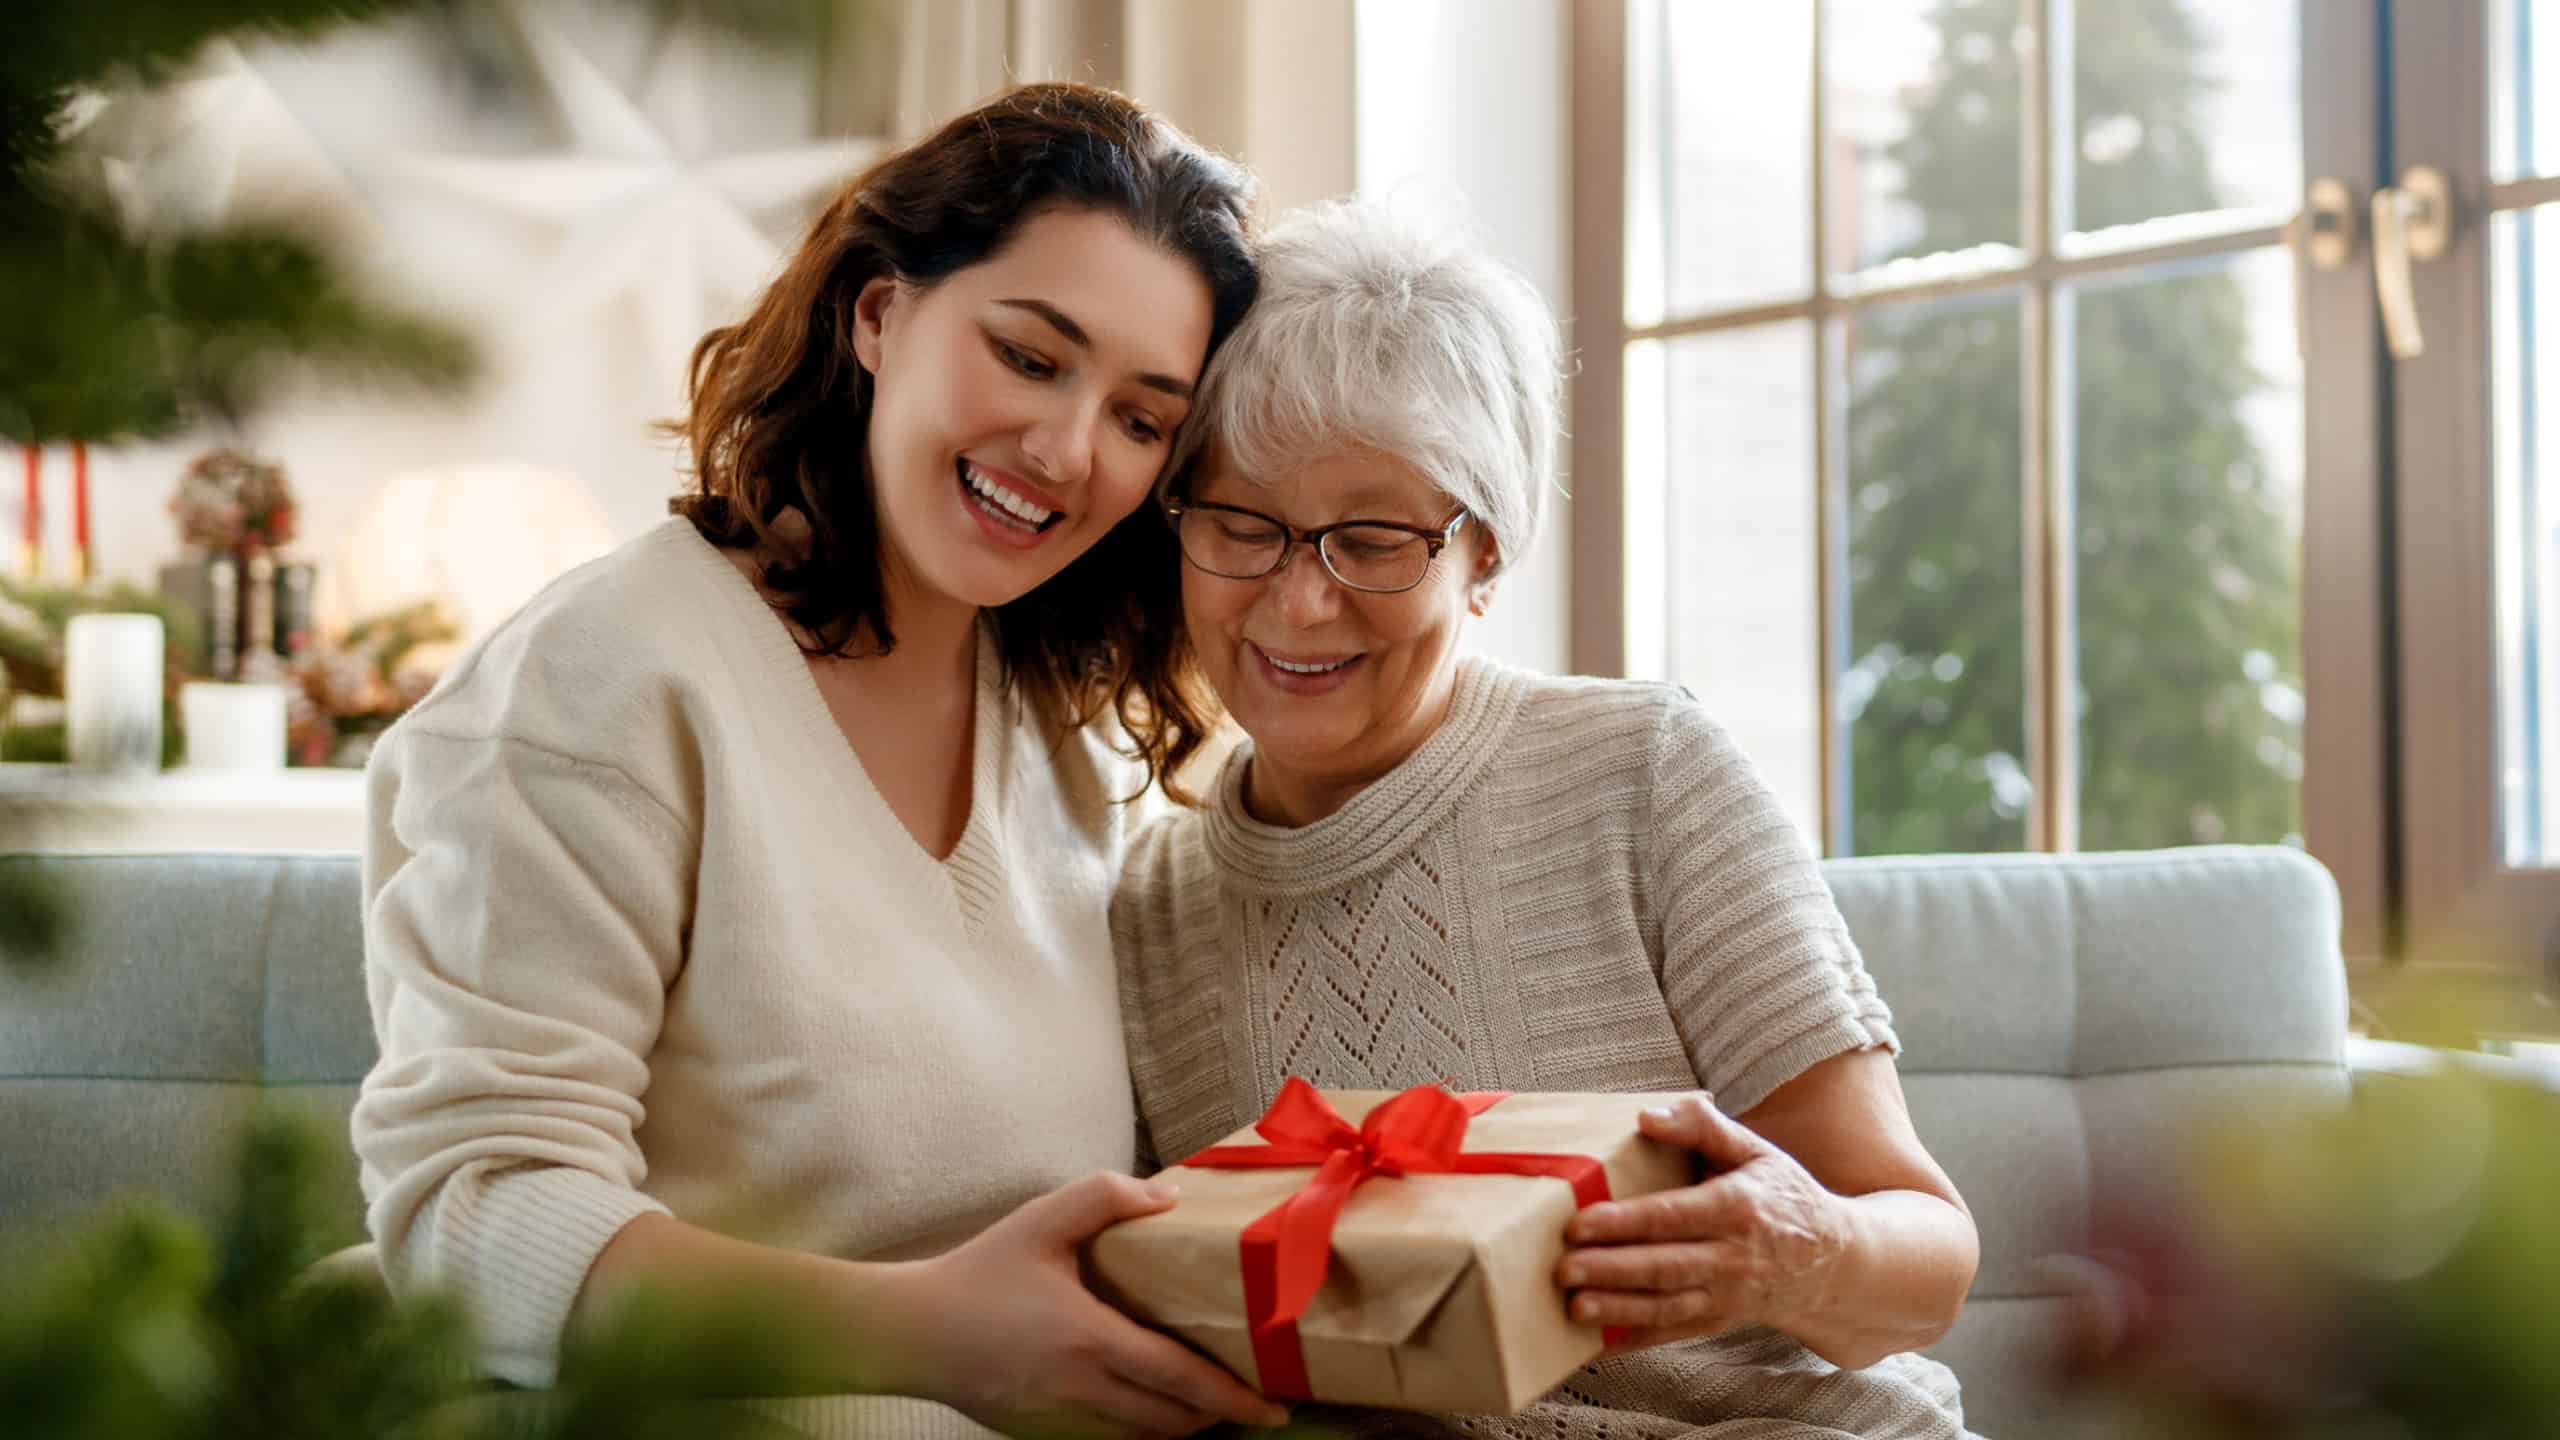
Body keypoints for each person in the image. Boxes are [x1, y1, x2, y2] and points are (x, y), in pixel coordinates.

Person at [352, 83, 1288, 1440]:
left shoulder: (1051, 722)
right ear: (879, 312)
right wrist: (937, 1340)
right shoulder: (603, 682)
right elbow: (472, 1214)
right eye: (1031, 356)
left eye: (1143, 420)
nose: (1068, 451)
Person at [1111, 199, 1983, 1439]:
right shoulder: (1146, 904)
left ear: (1489, 557)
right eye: (1243, 527)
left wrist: (1798, 1251)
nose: (1299, 604)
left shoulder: (1639, 771)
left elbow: (1928, 1259)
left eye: (1375, 541)